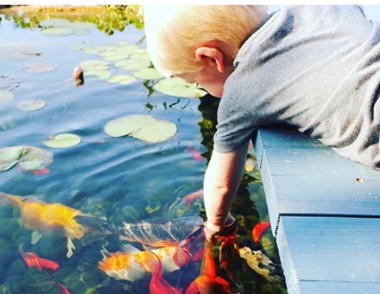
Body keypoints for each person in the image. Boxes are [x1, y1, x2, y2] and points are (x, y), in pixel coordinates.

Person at [143, 5, 379, 241]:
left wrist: (216, 225)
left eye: (196, 82)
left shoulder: (241, 91)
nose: (200, 88)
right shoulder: (320, 9)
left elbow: (220, 184)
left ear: (211, 58)